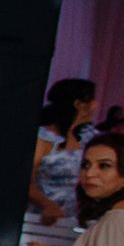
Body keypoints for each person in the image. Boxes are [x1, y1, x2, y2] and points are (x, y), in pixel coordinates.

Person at [28, 78, 98, 224]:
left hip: (74, 218)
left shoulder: (86, 137)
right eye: (92, 100)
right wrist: (48, 204)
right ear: (78, 104)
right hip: (43, 218)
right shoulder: (43, 138)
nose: (95, 105)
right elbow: (27, 182)